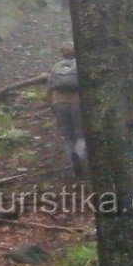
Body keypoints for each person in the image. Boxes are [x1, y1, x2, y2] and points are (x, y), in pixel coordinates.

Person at [47, 42, 87, 179]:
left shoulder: (56, 67)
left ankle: (73, 164)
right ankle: (79, 154)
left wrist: (52, 105)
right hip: (76, 103)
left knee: (67, 136)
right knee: (80, 134)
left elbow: (49, 89)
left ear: (62, 53)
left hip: (59, 103)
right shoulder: (80, 66)